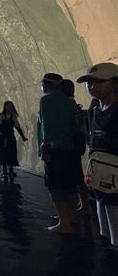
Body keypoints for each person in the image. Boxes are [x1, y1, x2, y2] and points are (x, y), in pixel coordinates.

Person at [77, 62, 118, 247]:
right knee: (104, 233)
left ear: (115, 83)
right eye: (89, 82)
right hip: (100, 181)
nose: (93, 86)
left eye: (100, 81)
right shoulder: (93, 112)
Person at [37, 73, 79, 233]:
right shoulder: (69, 101)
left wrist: (45, 146)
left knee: (55, 185)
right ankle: (72, 217)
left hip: (54, 149)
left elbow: (47, 125)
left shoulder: (46, 101)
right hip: (69, 148)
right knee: (69, 184)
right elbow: (74, 125)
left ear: (47, 85)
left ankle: (64, 222)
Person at [59, 79, 93, 215]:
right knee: (77, 176)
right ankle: (84, 204)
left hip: (69, 146)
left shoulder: (66, 104)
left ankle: (74, 209)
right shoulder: (72, 103)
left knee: (72, 178)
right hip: (75, 145)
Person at [0, 101, 28, 178]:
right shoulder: (1, 115)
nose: (10, 107)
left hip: (11, 137)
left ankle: (11, 169)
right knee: (3, 152)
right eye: (8, 106)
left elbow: (17, 127)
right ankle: (4, 169)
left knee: (12, 153)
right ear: (5, 107)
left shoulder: (13, 116)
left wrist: (22, 136)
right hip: (3, 137)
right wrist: (4, 133)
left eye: (11, 106)